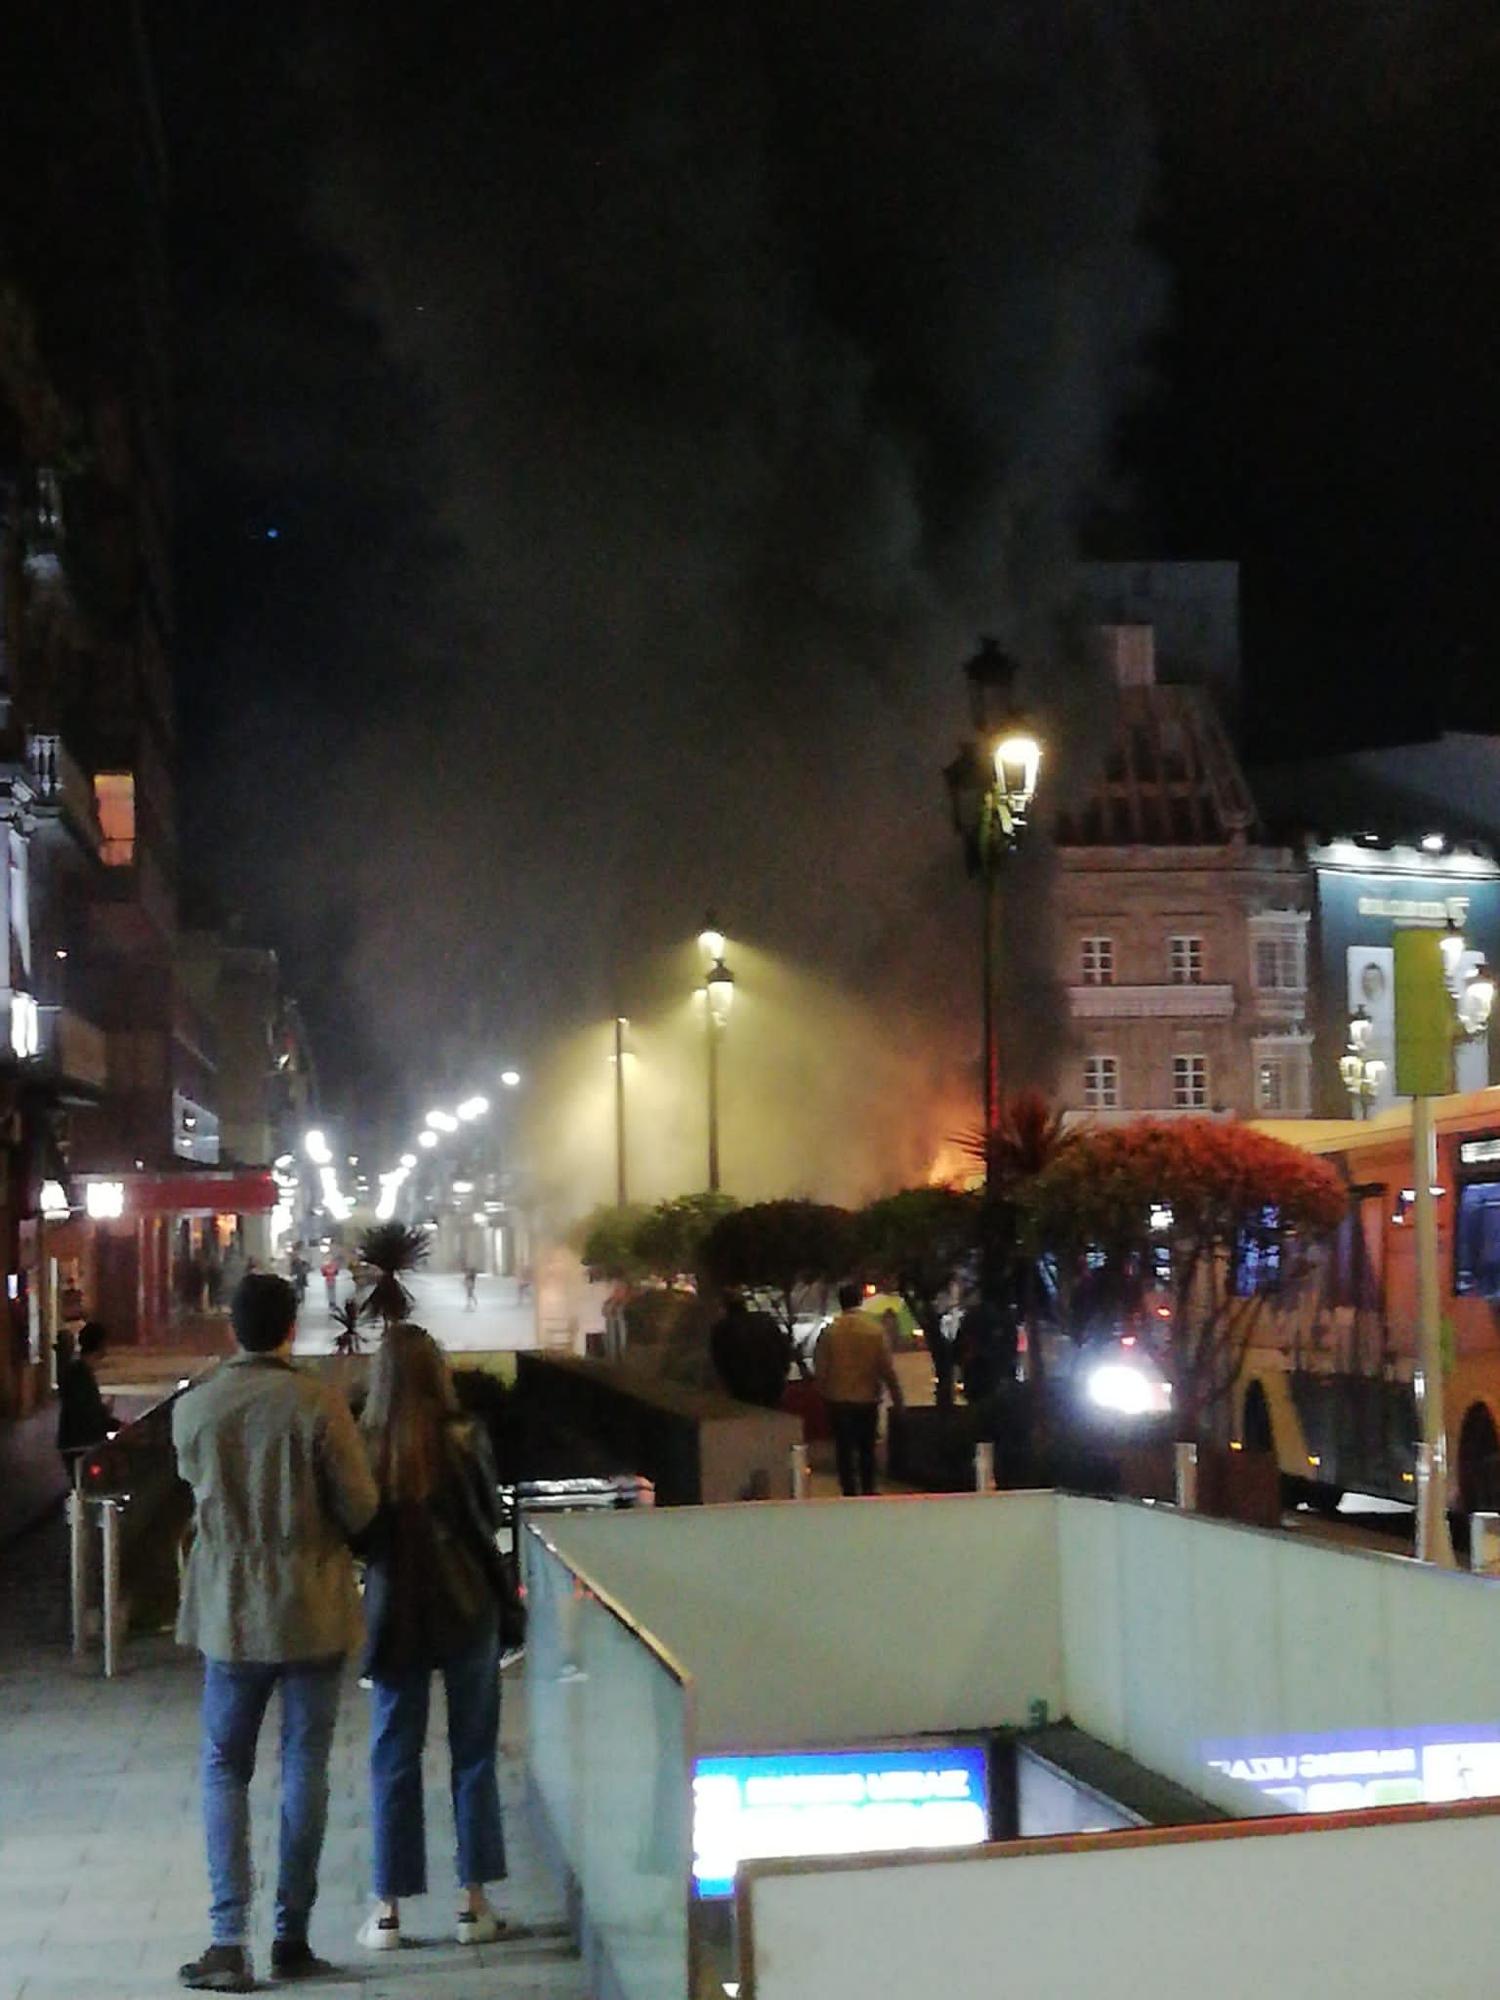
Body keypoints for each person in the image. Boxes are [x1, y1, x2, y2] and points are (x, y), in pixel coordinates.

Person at [172, 1273, 378, 1993]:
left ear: (233, 1329)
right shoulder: (318, 1404)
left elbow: (193, 1486)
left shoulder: (197, 1408)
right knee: (306, 1767)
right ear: (293, 1327)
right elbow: (359, 1505)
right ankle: (293, 1934)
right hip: (312, 1604)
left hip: (230, 1609)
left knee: (225, 1766)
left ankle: (228, 1939)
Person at [356, 1322, 509, 1953]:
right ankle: (473, 1904)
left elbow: (360, 1534)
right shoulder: (466, 1438)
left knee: (394, 1753)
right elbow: (488, 1518)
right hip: (468, 1604)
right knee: (473, 1754)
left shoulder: (367, 1444)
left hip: (396, 1614)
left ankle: (388, 1911)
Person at [814, 1282, 906, 1495]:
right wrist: (897, 1398)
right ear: (860, 1301)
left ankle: (848, 1491)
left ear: (841, 1302)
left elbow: (821, 1369)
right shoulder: (874, 1331)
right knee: (866, 1449)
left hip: (838, 1399)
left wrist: (823, 1393)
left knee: (843, 1449)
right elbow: (886, 1369)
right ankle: (868, 1489)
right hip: (867, 1399)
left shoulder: (830, 1332)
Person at [710, 1290, 792, 1407]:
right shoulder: (765, 1320)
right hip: (772, 1382)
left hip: (742, 1387)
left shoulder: (722, 1329)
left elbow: (720, 1361)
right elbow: (783, 1348)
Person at [56, 1321, 113, 1475]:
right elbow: (86, 1412)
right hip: (81, 1445)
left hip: (79, 1443)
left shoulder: (80, 1370)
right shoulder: (79, 1374)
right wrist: (106, 1413)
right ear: (100, 1345)